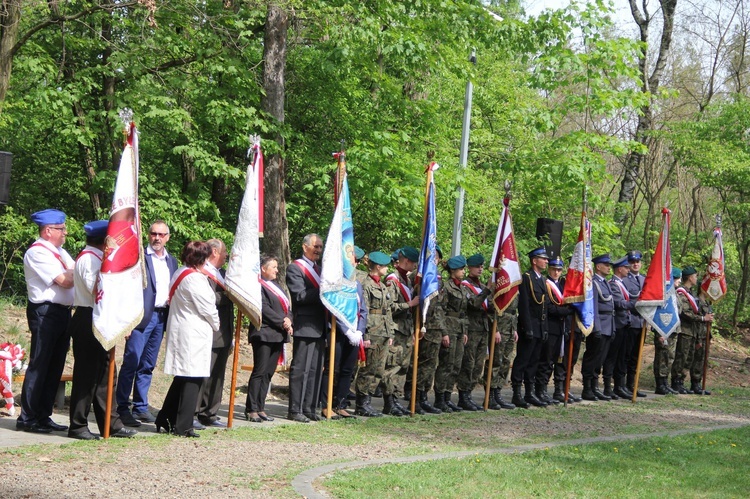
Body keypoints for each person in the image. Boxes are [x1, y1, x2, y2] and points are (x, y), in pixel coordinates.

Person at [68, 220, 137, 440]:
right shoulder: (89, 259)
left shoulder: (99, 258)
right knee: (87, 375)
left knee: (106, 374)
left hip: (103, 317)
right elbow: (97, 290)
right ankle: (78, 425)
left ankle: (111, 423)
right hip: (90, 317)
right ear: (103, 239)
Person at [17, 209, 75, 434]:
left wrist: (74, 274)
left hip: (61, 312)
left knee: (55, 366)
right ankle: (28, 417)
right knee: (40, 364)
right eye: (61, 229)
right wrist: (73, 274)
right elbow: (65, 280)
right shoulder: (37, 252)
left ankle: (43, 415)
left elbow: (75, 273)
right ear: (48, 230)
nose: (65, 232)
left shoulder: (59, 251)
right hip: (45, 312)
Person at [155, 241, 220, 437]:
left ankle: (165, 417)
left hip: (185, 328)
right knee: (192, 377)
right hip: (193, 331)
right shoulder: (195, 280)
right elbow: (208, 308)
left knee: (183, 376)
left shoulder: (181, 273)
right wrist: (217, 324)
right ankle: (183, 425)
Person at [117, 220, 178, 427]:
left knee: (148, 365)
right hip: (140, 318)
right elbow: (126, 289)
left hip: (161, 317)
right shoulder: (138, 258)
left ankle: (141, 407)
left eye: (161, 235)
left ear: (168, 237)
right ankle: (122, 407)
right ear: (148, 235)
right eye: (153, 234)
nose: (157, 238)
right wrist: (126, 322)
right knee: (131, 362)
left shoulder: (172, 261)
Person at [245, 255, 292, 422]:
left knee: (268, 373)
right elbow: (264, 308)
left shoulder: (276, 286)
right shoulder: (258, 286)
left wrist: (288, 319)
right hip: (264, 334)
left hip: (278, 334)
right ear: (263, 268)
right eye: (273, 267)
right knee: (260, 371)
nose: (277, 270)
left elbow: (287, 307)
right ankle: (251, 408)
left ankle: (261, 407)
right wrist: (282, 322)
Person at [286, 234, 327, 422]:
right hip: (305, 324)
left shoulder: (320, 270)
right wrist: (323, 289)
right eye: (315, 246)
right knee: (301, 369)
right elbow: (299, 296)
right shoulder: (295, 268)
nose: (318, 250)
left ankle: (309, 407)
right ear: (305, 247)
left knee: (315, 369)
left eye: (320, 247)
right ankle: (295, 409)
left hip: (320, 326)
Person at [195, 239, 234, 428]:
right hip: (209, 329)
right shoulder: (203, 272)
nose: (226, 255)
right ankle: (194, 412)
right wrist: (228, 295)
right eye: (224, 252)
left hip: (225, 330)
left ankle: (210, 412)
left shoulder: (224, 274)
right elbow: (208, 298)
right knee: (204, 373)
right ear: (215, 252)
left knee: (218, 375)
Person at [355, 251, 397, 417]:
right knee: (368, 369)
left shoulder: (381, 285)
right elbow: (362, 311)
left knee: (379, 369)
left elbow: (387, 311)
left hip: (384, 332)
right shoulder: (366, 283)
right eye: (385, 266)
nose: (387, 269)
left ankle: (368, 401)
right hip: (372, 331)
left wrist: (391, 332)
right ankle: (362, 403)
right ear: (378, 267)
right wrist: (364, 335)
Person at [510, 247, 549, 409]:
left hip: (540, 326)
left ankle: (529, 392)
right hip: (529, 325)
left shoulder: (541, 279)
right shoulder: (527, 278)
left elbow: (544, 306)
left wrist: (544, 328)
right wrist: (526, 327)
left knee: (534, 361)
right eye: (543, 258)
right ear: (534, 261)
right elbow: (524, 304)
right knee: (523, 360)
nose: (546, 261)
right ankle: (517, 393)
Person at [384, 247, 420, 416]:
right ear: (406, 261)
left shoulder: (407, 280)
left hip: (406, 330)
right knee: (392, 366)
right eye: (413, 262)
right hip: (395, 329)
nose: (414, 266)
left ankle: (396, 400)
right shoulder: (393, 280)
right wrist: (410, 304)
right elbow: (389, 307)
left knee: (403, 366)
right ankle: (388, 401)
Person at [458, 254, 495, 410]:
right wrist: (487, 290)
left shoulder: (481, 286)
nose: (480, 269)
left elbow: (490, 306)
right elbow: (473, 304)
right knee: (469, 364)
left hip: (483, 329)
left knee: (478, 365)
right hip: (471, 329)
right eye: (477, 266)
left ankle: (470, 393)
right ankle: (463, 396)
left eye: (481, 266)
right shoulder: (466, 285)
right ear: (469, 268)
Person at [434, 255, 469, 412]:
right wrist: (444, 332)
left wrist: (465, 331)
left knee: (456, 365)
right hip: (449, 327)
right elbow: (440, 310)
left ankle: (448, 397)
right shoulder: (446, 287)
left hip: (460, 329)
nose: (463, 271)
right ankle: (440, 398)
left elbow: (464, 312)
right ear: (453, 270)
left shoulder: (463, 287)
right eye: (461, 269)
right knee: (446, 365)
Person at [672, 266, 713, 394]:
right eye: (695, 276)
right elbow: (685, 312)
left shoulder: (690, 294)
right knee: (681, 357)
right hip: (685, 330)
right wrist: (702, 318)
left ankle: (683, 382)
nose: (696, 279)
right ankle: (676, 382)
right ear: (690, 277)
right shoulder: (681, 292)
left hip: (692, 331)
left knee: (688, 358)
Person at [580, 254, 615, 401]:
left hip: (608, 325)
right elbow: (593, 307)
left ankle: (595, 387)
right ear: (598, 266)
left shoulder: (605, 282)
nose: (609, 267)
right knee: (592, 357)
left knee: (600, 359)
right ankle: (587, 388)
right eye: (606, 265)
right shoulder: (593, 283)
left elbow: (610, 306)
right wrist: (597, 328)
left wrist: (612, 329)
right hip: (599, 325)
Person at [537, 257, 571, 404]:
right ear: (549, 269)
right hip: (550, 327)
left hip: (561, 328)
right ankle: (541, 389)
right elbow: (549, 307)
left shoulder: (563, 285)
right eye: (553, 269)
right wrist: (565, 311)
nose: (556, 272)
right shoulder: (546, 284)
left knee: (557, 359)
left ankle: (553, 390)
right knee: (546, 360)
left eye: (559, 269)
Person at [605, 256, 636, 400]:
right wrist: (637, 304)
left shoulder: (621, 284)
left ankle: (620, 385)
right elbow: (619, 303)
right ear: (620, 269)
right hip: (617, 324)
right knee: (613, 356)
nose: (629, 270)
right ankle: (608, 386)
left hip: (625, 324)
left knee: (623, 357)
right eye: (626, 268)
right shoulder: (613, 284)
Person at [485, 293, 517, 409]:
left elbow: (513, 311)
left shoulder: (514, 284)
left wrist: (514, 329)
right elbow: (490, 308)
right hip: (500, 327)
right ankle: (490, 395)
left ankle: (498, 392)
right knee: (496, 361)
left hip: (510, 327)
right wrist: (496, 328)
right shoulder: (497, 282)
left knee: (505, 362)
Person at [653, 268, 681, 395]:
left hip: (674, 329)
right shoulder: (663, 294)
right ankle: (660, 384)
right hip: (663, 329)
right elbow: (659, 314)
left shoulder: (675, 295)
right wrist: (659, 332)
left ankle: (665, 382)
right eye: (677, 279)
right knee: (662, 357)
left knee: (670, 357)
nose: (679, 281)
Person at [624, 251, 647, 397]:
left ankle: (632, 384)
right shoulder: (624, 280)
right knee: (626, 355)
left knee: (636, 356)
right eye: (632, 262)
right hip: (630, 321)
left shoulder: (645, 280)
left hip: (642, 322)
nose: (635, 264)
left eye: (638, 261)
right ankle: (622, 385)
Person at [690, 282, 714, 395]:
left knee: (703, 360)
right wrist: (699, 338)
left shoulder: (708, 303)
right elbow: (697, 321)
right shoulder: (696, 301)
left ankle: (698, 383)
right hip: (698, 334)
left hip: (706, 335)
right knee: (697, 359)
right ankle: (694, 384)